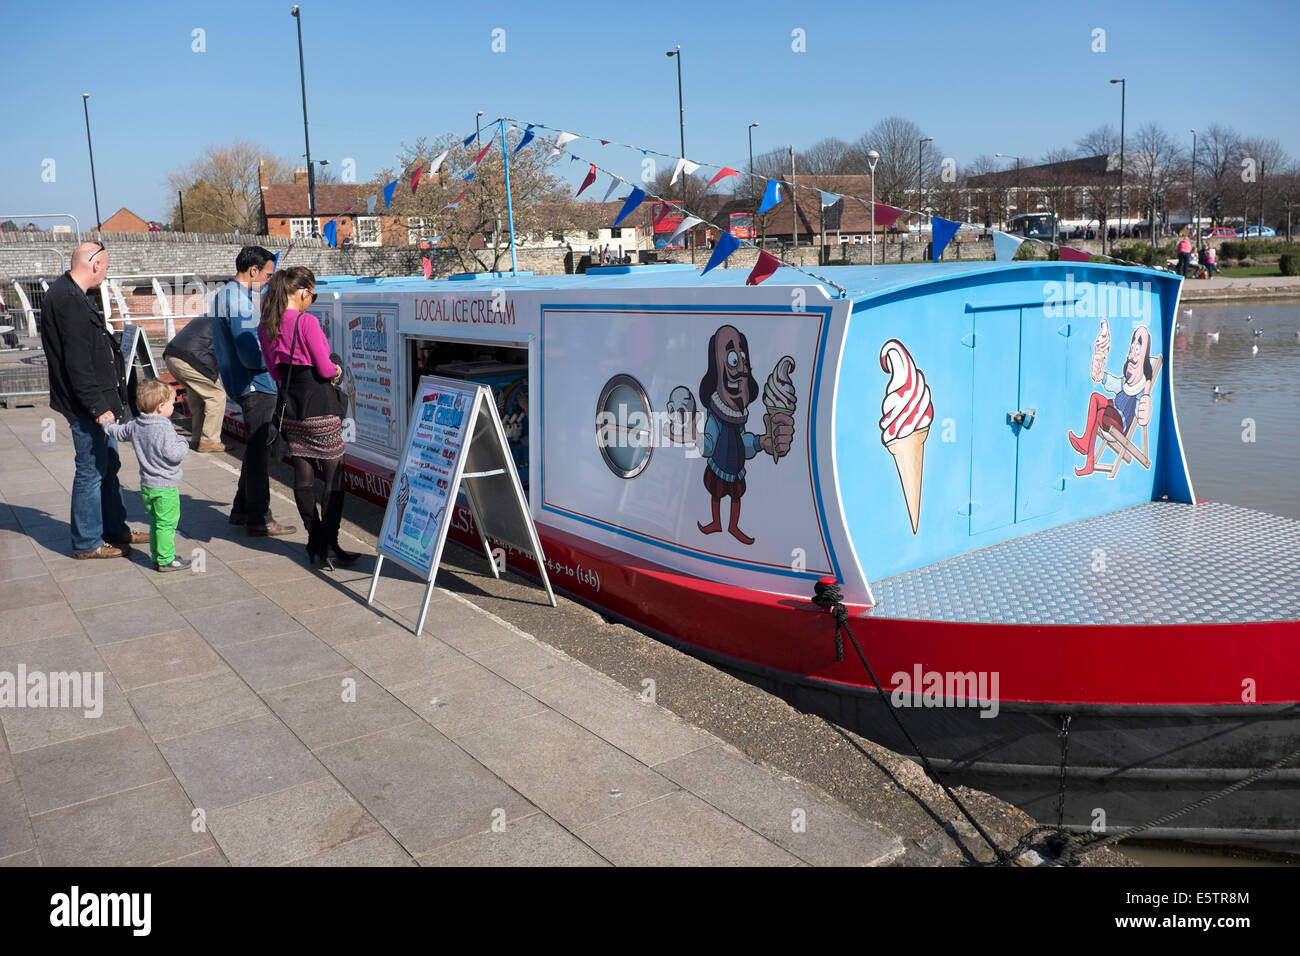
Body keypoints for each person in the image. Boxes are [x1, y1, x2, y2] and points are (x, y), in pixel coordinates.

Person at [39, 241, 149, 559]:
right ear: (96, 265)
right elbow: (77, 362)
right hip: (88, 405)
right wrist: (98, 407)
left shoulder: (73, 294)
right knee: (90, 468)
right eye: (107, 267)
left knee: (109, 464)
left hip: (99, 400)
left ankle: (115, 528)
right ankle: (87, 541)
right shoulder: (68, 299)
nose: (106, 274)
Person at [257, 266, 357, 570]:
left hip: (292, 411)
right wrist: (338, 371)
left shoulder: (266, 326)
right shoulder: (306, 322)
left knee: (303, 476)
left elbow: (275, 373)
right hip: (321, 408)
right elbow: (326, 370)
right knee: (334, 475)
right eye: (311, 294)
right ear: (302, 292)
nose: (311, 299)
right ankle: (329, 543)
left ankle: (314, 541)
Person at [209, 246, 295, 536]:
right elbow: (251, 355)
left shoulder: (224, 296)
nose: (270, 281)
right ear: (253, 270)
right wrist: (279, 364)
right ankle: (260, 518)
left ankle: (242, 508)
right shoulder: (240, 304)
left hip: (239, 383)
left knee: (255, 450)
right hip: (256, 385)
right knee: (260, 454)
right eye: (268, 275)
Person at [103, 380, 191, 572]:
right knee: (167, 524)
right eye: (171, 403)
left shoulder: (137, 424)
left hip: (147, 485)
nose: (173, 406)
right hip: (165, 486)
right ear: (160, 407)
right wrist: (184, 442)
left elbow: (117, 432)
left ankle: (157, 555)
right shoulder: (164, 427)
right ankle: (166, 559)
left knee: (156, 522)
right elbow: (174, 454)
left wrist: (106, 423)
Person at [163, 311, 226, 452]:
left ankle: (197, 439)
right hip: (192, 359)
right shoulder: (230, 320)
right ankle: (210, 441)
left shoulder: (209, 315)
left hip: (172, 355)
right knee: (216, 396)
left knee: (198, 398)